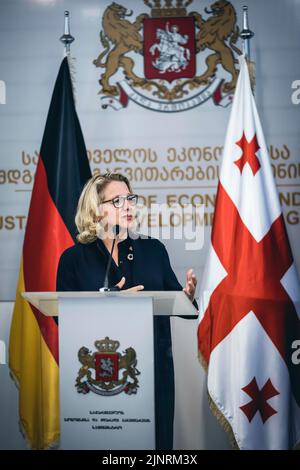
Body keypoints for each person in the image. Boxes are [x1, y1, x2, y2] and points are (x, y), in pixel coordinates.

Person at [56, 172, 197, 449]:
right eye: (117, 200)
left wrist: (188, 297)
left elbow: (183, 306)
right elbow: (62, 318)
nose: (129, 205)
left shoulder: (153, 250)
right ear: (96, 211)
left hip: (153, 374)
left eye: (130, 198)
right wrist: (111, 305)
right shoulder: (73, 259)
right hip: (99, 377)